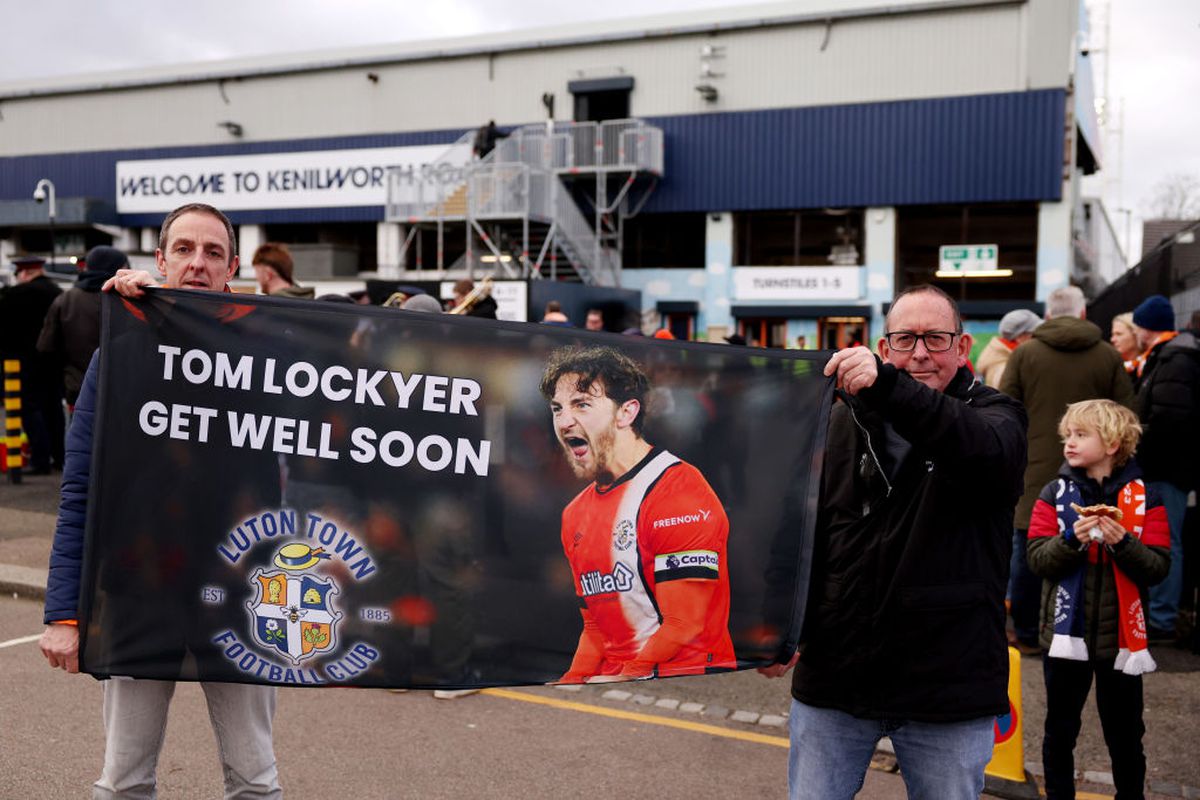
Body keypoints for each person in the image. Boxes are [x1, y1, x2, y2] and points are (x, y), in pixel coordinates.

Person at [39, 203, 282, 799]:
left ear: (231, 269)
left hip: (241, 592)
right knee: (124, 781)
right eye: (184, 249)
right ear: (161, 260)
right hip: (138, 590)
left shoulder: (266, 357)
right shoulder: (121, 351)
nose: (198, 263)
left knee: (255, 780)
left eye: (213, 252)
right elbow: (80, 489)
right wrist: (64, 613)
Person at [760, 284, 1027, 800]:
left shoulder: (997, 417)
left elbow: (978, 449)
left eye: (935, 338)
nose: (920, 352)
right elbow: (798, 529)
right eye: (905, 339)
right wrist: (776, 627)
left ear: (962, 347)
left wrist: (887, 387)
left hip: (948, 685)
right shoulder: (837, 418)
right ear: (885, 348)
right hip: (837, 676)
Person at [540, 345, 736, 681]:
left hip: (685, 682)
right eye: (558, 408)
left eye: (582, 404)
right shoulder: (574, 513)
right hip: (620, 683)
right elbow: (596, 627)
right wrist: (572, 679)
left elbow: (685, 624)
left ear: (626, 412)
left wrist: (624, 678)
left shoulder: (679, 492)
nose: (565, 421)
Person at [1026, 399, 1170, 799]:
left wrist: (1123, 543)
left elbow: (1158, 567)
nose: (1069, 443)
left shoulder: (1149, 497)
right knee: (1059, 732)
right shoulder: (1053, 493)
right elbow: (1037, 560)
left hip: (1122, 642)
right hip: (1063, 637)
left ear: (1112, 444)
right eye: (1067, 435)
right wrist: (1072, 538)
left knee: (1126, 735)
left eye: (1081, 435)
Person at [1000, 286, 1133, 654]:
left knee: (1028, 550)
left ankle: (1028, 633)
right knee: (1094, 546)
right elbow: (1127, 413)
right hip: (1096, 475)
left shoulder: (1024, 353)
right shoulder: (1107, 355)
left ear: (1047, 315)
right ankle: (1087, 631)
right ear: (1084, 313)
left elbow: (1004, 410)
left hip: (1033, 471)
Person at [1129, 294, 1200, 641]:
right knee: (1162, 539)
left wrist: (1134, 436)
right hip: (1166, 467)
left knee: (1166, 541)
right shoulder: (1169, 357)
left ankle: (1161, 618)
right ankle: (1159, 613)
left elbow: (1170, 420)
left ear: (1147, 327)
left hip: (1167, 469)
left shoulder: (1174, 360)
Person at [37, 245, 128, 413]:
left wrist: (65, 381)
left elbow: (46, 348)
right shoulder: (127, 300)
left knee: (79, 429)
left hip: (77, 392)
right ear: (116, 268)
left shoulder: (65, 299)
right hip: (122, 394)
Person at [0, 255, 64, 473]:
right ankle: (59, 457)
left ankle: (40, 459)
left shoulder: (15, 294)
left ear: (24, 272)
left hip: (22, 362)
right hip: (53, 361)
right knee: (53, 409)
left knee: (29, 408)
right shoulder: (57, 292)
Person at [976, 308, 1041, 387]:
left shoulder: (1001, 354)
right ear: (1020, 336)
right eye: (1034, 333)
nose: (1038, 337)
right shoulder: (1003, 369)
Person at [1109, 312, 1141, 376]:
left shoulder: (1150, 366)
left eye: (1119, 334)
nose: (1112, 340)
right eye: (1112, 335)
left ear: (1136, 335)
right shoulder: (1109, 368)